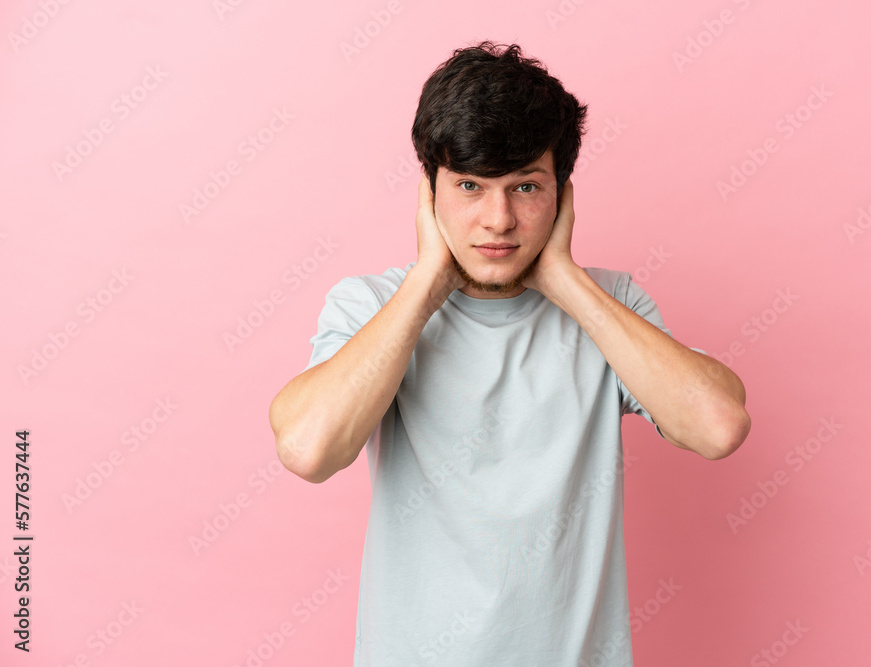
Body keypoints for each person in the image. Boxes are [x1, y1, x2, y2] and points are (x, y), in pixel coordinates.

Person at [269, 41, 750, 667]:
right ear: (429, 193)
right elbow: (308, 450)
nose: (498, 219)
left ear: (562, 194)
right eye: (469, 186)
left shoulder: (611, 305)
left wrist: (567, 281)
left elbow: (718, 426)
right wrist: (426, 283)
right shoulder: (372, 307)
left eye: (525, 186)